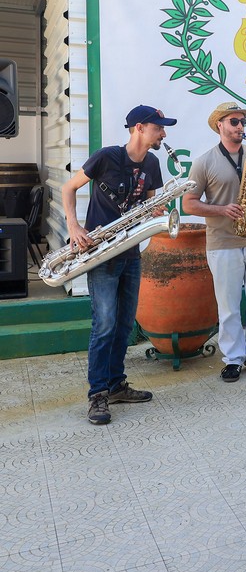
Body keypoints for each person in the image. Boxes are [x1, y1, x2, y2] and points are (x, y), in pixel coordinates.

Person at [61, 104, 174, 424]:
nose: (163, 133)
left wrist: (156, 211)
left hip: (130, 254)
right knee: (105, 324)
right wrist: (73, 226)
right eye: (158, 127)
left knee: (124, 325)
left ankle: (116, 385)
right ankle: (97, 394)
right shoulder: (106, 157)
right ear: (139, 128)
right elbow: (68, 188)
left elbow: (149, 203)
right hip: (101, 253)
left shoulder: (152, 163)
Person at [182, 102, 246, 383]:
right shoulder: (204, 161)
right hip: (222, 241)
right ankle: (233, 358)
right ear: (220, 125)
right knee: (228, 305)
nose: (240, 127)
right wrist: (221, 209)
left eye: (242, 122)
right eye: (234, 122)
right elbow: (189, 204)